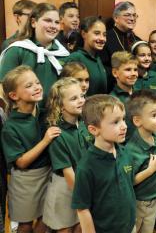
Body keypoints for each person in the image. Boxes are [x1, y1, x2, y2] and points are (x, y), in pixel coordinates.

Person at [1, 66, 61, 233]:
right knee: (26, 225)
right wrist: (46, 140)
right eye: (29, 86)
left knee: (46, 220)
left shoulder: (45, 114)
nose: (37, 87)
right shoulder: (10, 128)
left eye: (37, 82)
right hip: (25, 181)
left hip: (48, 174)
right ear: (14, 96)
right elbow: (21, 162)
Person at [71, 94, 135, 233]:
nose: (124, 126)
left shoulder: (125, 153)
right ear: (94, 129)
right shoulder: (86, 167)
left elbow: (129, 190)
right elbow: (82, 208)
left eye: (123, 119)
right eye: (116, 122)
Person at [0, 3, 70, 109]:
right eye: (47, 20)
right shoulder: (17, 50)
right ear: (33, 22)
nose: (53, 26)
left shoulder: (64, 53)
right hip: (24, 117)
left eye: (56, 22)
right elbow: (3, 88)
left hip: (55, 116)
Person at [43, 77, 89, 232]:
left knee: (79, 227)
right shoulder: (58, 134)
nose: (81, 101)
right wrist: (85, 198)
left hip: (82, 183)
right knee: (65, 229)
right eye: (74, 98)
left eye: (82, 96)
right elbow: (68, 173)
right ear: (60, 106)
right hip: (65, 188)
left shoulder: (84, 123)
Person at [126, 90, 156, 233]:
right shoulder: (131, 150)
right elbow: (128, 181)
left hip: (155, 199)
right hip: (139, 202)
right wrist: (149, 171)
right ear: (137, 120)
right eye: (154, 115)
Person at [64, 16, 107, 96]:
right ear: (84, 34)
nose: (102, 38)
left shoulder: (97, 58)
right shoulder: (75, 58)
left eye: (104, 35)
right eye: (97, 33)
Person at [100, 1, 141, 66]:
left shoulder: (138, 40)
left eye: (134, 15)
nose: (132, 18)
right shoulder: (106, 38)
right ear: (116, 18)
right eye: (127, 15)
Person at [110, 51, 139, 140]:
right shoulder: (112, 101)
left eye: (135, 69)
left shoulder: (141, 95)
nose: (133, 73)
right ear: (115, 73)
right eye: (128, 70)